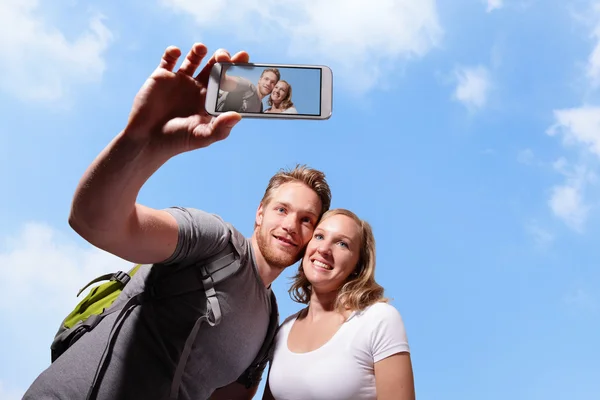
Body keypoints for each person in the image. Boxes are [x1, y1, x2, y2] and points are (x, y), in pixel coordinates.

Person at [23, 43, 332, 400]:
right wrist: (143, 142)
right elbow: (94, 221)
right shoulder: (214, 240)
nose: (292, 225)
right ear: (260, 212)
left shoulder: (268, 325)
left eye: (307, 220)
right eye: (282, 209)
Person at [263, 209, 416, 400]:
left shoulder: (379, 320)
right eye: (319, 236)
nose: (324, 249)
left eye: (342, 244)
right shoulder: (284, 329)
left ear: (358, 266)